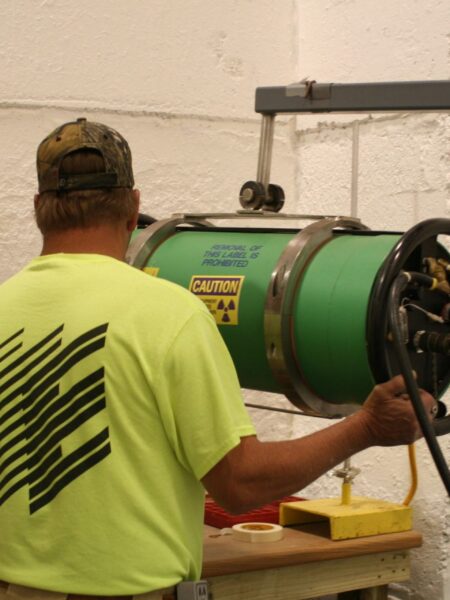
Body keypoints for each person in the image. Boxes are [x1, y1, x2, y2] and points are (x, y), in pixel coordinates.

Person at [0, 118, 436, 599]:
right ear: (134, 209)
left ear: (40, 208)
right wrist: (366, 427)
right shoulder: (168, 314)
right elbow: (240, 484)